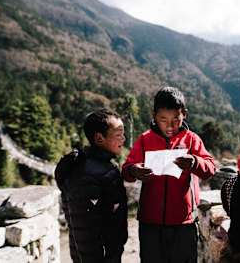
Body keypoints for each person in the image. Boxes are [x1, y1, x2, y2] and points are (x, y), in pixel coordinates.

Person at [122, 86, 215, 263]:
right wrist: (134, 170)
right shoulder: (145, 140)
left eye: (176, 119)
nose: (170, 126)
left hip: (184, 223)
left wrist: (194, 162)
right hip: (150, 223)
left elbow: (210, 168)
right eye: (163, 120)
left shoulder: (192, 139)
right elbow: (126, 171)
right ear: (154, 116)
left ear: (184, 114)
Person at [54, 109, 128, 263]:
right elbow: (85, 229)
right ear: (99, 138)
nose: (124, 138)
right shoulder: (89, 174)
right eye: (118, 134)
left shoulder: (97, 166)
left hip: (100, 253)